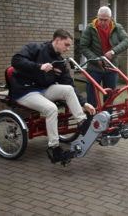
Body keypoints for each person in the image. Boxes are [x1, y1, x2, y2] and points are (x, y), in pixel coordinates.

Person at [10, 29, 96, 163]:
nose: (67, 49)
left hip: (43, 89)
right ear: (57, 40)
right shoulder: (35, 48)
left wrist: (84, 103)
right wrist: (39, 66)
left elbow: (69, 83)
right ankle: (54, 147)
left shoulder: (60, 61)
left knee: (67, 89)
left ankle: (82, 123)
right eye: (66, 45)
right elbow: (16, 60)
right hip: (25, 90)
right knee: (51, 109)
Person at [80, 6, 128, 107]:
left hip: (111, 67)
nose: (102, 22)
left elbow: (127, 41)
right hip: (94, 68)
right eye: (100, 19)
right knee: (92, 98)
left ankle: (107, 120)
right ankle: (92, 119)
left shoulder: (117, 27)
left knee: (110, 98)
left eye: (105, 20)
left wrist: (113, 51)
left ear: (110, 19)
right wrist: (96, 59)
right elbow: (83, 46)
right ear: (97, 17)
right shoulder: (90, 28)